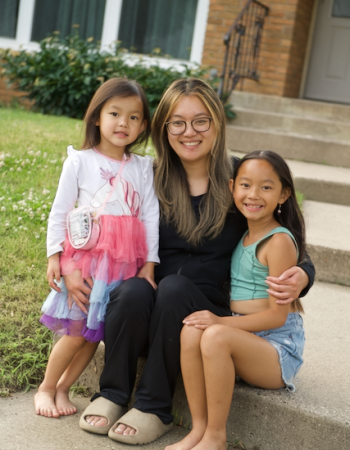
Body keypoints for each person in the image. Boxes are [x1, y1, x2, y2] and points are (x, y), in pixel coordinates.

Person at [70, 78, 314, 445]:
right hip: (153, 312)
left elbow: (286, 238)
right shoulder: (147, 177)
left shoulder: (240, 180)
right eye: (177, 122)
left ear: (217, 123)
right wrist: (68, 262)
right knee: (134, 289)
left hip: (202, 315)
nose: (189, 132)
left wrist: (303, 276)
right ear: (164, 127)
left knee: (174, 287)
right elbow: (99, 221)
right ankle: (112, 394)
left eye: (201, 121)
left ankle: (154, 407)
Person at [34, 78, 159, 419]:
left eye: (134, 117)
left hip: (122, 266)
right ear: (97, 118)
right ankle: (46, 387)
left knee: (94, 336)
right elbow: (59, 212)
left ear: (143, 125)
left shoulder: (142, 167)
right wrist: (54, 257)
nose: (123, 123)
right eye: (115, 113)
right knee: (76, 333)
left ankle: (64, 388)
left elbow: (150, 216)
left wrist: (149, 265)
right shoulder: (80, 161)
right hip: (86, 262)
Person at [167, 150, 307, 450]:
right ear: (231, 187)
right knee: (191, 330)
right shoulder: (243, 233)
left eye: (266, 187)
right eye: (245, 185)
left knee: (215, 334)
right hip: (245, 333)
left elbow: (277, 317)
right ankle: (199, 429)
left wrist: (219, 321)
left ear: (283, 195)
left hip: (276, 346)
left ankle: (216, 437)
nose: (253, 195)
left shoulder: (278, 241)